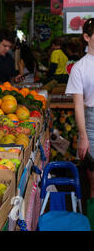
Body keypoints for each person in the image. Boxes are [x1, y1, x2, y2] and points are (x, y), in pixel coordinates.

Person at [65, 18, 94, 200]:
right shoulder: (79, 68)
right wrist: (83, 136)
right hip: (92, 123)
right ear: (87, 37)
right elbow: (78, 105)